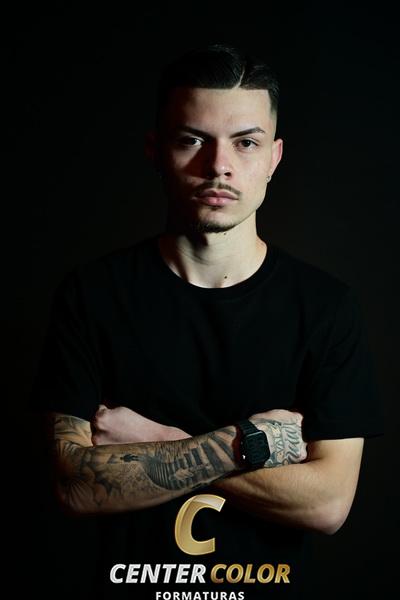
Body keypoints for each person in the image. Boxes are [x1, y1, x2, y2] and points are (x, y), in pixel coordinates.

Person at [31, 44, 383, 599]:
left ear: (274, 157)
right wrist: (250, 444)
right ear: (155, 150)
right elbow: (76, 485)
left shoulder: (325, 307)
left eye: (246, 142)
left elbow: (327, 502)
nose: (219, 165)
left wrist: (157, 441)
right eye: (192, 139)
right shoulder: (92, 296)